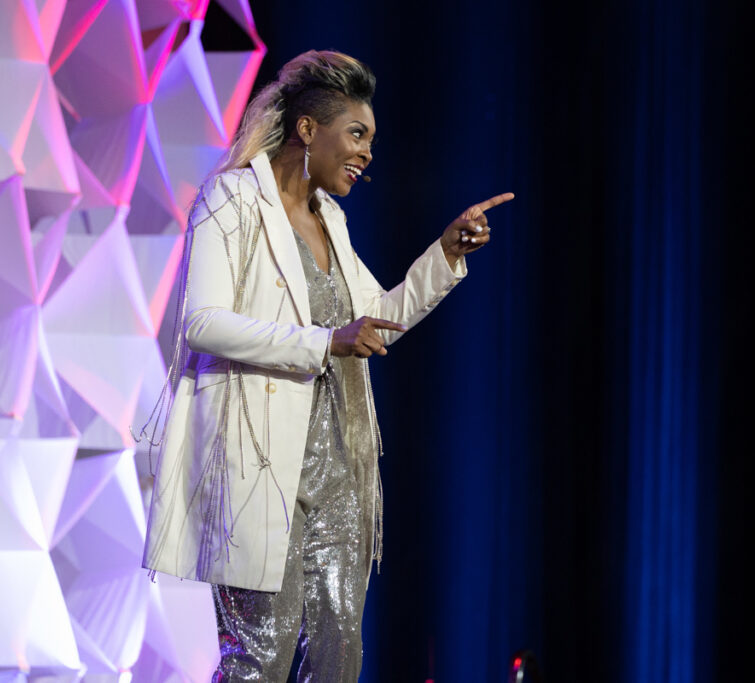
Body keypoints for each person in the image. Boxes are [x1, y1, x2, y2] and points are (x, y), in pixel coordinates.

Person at [136, 50, 513, 681]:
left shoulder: (329, 220)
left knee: (338, 664)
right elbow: (201, 322)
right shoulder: (231, 200)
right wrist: (323, 342)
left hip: (337, 479)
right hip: (259, 473)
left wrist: (446, 253)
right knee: (259, 660)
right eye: (357, 134)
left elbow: (377, 315)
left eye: (371, 139)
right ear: (308, 129)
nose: (367, 152)